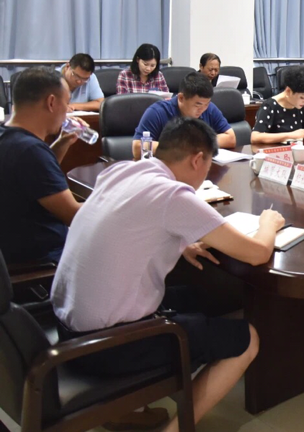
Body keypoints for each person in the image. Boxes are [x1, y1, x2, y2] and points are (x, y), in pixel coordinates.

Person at [51, 117, 285, 432]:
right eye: (208, 167)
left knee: (198, 296)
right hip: (104, 347)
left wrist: (181, 243)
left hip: (66, 327)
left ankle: (125, 409)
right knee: (247, 338)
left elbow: (127, 225)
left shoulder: (121, 171)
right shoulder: (173, 196)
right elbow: (257, 253)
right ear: (198, 159)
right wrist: (268, 224)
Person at [0, 68, 83, 264]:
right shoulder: (31, 151)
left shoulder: (9, 137)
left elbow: (36, 178)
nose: (67, 111)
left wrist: (62, 143)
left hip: (12, 248)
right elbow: (75, 216)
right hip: (42, 259)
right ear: (51, 102)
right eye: (67, 103)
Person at [132, 72, 236, 158]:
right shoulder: (157, 112)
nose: (203, 109)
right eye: (198, 104)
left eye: (207, 104)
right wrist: (181, 147)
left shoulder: (209, 108)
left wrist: (200, 143)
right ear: (181, 98)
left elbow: (231, 138)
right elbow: (137, 147)